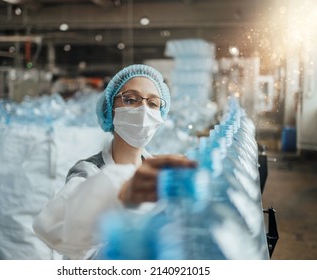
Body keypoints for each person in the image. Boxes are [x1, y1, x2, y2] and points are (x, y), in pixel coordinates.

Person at [32, 64, 197, 259]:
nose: (143, 109)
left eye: (153, 104)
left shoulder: (159, 173)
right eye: (131, 100)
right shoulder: (88, 171)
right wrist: (119, 194)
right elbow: (55, 227)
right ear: (111, 108)